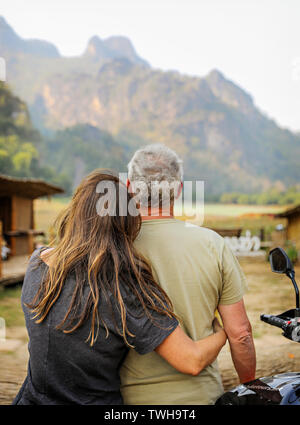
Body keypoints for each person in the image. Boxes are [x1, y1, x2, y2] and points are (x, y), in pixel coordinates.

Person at [13, 169, 227, 405]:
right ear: (124, 222)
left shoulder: (37, 262)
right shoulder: (121, 288)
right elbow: (192, 360)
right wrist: (223, 332)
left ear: (75, 212)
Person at [120, 144, 256, 405]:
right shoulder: (212, 244)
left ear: (129, 187)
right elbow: (240, 333)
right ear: (179, 189)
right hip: (201, 396)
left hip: (128, 400)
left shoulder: (115, 247)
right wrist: (249, 388)